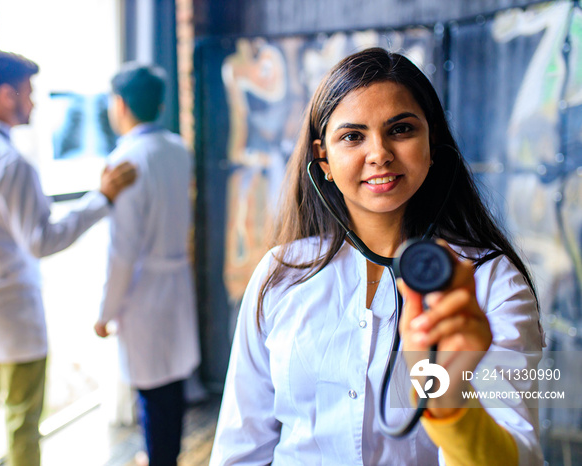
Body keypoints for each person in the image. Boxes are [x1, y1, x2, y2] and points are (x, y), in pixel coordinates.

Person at [210, 48, 545, 465]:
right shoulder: (280, 275)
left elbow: (520, 458)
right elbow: (241, 449)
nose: (379, 153)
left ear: (432, 142)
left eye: (401, 129)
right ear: (323, 158)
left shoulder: (491, 282)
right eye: (352, 136)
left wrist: (450, 402)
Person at [0, 48, 136, 466]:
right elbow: (42, 240)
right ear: (7, 95)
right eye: (28, 91)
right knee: (22, 417)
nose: (34, 101)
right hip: (13, 311)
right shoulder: (10, 161)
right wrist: (102, 200)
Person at [94, 63, 200, 466]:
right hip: (175, 280)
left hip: (143, 291)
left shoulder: (125, 161)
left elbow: (121, 251)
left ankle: (159, 458)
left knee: (150, 388)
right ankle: (163, 454)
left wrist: (105, 312)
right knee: (170, 383)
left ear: (120, 105)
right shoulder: (177, 149)